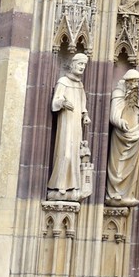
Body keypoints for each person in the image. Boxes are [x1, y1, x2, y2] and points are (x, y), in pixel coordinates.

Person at [48, 53, 91, 198]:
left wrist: (85, 115)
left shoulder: (79, 85)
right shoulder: (63, 81)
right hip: (66, 122)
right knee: (65, 153)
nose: (82, 67)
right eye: (80, 64)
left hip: (76, 124)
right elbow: (56, 101)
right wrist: (62, 103)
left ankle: (73, 186)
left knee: (74, 155)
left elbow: (82, 102)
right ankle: (59, 185)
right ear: (73, 65)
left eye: (84, 65)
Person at [105, 69, 139, 206]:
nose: (135, 85)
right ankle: (114, 193)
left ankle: (127, 193)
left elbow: (136, 108)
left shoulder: (133, 94)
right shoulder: (118, 94)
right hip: (122, 136)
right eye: (134, 81)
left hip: (134, 134)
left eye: (137, 82)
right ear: (127, 81)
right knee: (119, 164)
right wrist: (119, 122)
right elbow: (114, 114)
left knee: (131, 166)